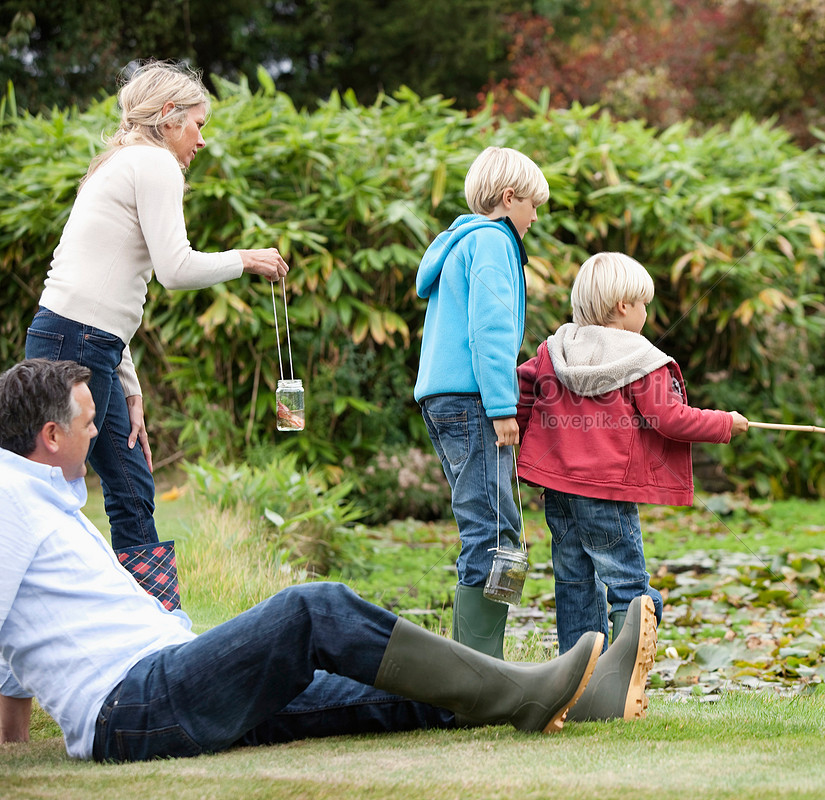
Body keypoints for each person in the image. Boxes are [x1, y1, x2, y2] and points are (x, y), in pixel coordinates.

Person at [0, 358, 661, 761]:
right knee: (311, 611)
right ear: (51, 434)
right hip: (138, 703)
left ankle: (580, 698)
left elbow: (14, 646)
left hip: (166, 688)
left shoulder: (40, 499)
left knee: (388, 690)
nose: (100, 431)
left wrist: (13, 735)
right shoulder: (9, 499)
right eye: (89, 422)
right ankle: (528, 692)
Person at [23, 60, 289, 568]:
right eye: (198, 124)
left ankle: (153, 620)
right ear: (169, 115)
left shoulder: (123, 163)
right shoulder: (155, 163)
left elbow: (105, 295)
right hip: (76, 343)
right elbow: (175, 268)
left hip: (81, 341)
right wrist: (247, 259)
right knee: (53, 490)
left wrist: (131, 389)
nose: (201, 140)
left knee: (129, 482)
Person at [515, 252, 749, 689]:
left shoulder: (554, 350)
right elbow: (670, 418)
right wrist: (724, 423)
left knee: (573, 580)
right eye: (644, 303)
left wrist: (524, 434)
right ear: (623, 306)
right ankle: (621, 683)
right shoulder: (639, 358)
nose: (646, 313)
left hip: (559, 492)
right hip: (608, 492)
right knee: (627, 582)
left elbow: (523, 393)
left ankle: (577, 681)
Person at [412, 146, 547, 659]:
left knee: (493, 523)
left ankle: (480, 664)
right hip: (472, 401)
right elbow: (489, 331)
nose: (535, 217)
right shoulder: (492, 241)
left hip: (447, 400)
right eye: (533, 205)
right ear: (509, 198)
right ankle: (478, 670)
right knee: (493, 531)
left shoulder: (460, 242)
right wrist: (502, 407)